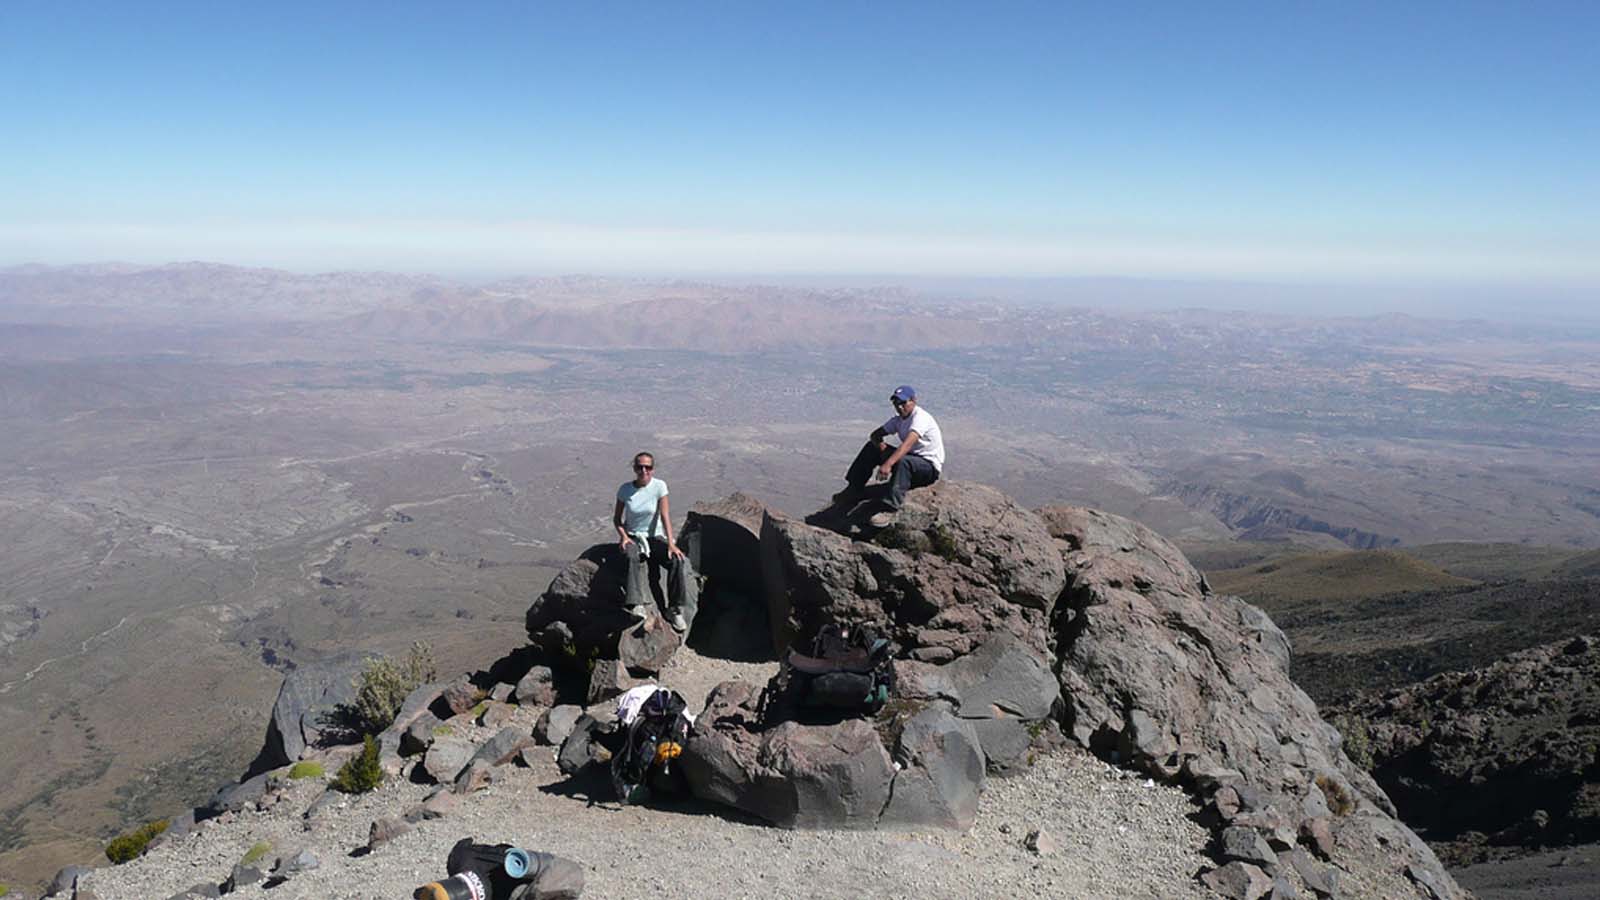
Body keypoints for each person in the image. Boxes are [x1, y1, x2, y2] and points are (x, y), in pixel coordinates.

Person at [834, 385, 944, 526]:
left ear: (913, 401)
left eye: (903, 403)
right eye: (896, 403)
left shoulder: (920, 418)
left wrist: (888, 463)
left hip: (927, 468)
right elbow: (875, 435)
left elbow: (907, 444)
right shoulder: (898, 421)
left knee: (903, 461)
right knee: (871, 448)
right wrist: (882, 448)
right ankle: (854, 488)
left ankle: (890, 508)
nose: (899, 407)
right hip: (909, 461)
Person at [614, 451, 696, 632]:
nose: (644, 470)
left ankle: (674, 609)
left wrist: (671, 544)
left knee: (677, 561)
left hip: (656, 537)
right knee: (631, 556)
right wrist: (624, 536)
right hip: (635, 536)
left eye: (648, 467)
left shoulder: (659, 486)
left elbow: (665, 515)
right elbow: (617, 519)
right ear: (634, 468)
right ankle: (636, 604)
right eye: (640, 467)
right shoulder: (625, 490)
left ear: (653, 468)